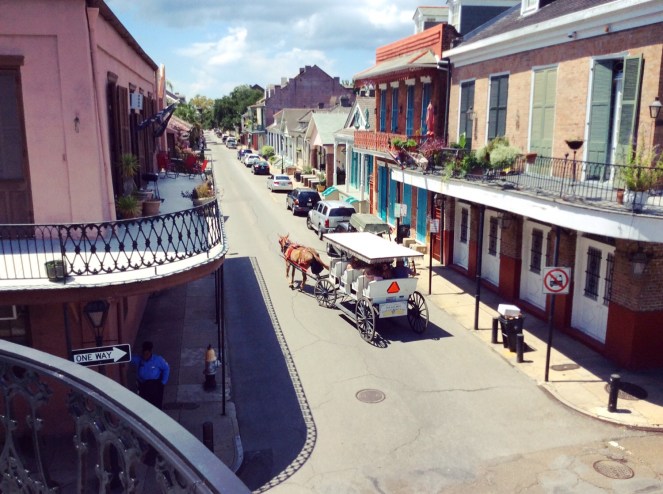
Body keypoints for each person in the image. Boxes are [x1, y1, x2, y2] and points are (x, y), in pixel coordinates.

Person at [130, 341, 170, 409]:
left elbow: (166, 368)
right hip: (143, 386)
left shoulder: (158, 359)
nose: (145, 356)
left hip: (155, 386)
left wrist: (163, 382)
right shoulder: (139, 359)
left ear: (150, 352)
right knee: (145, 406)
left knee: (156, 406)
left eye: (147, 354)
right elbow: (128, 357)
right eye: (143, 354)